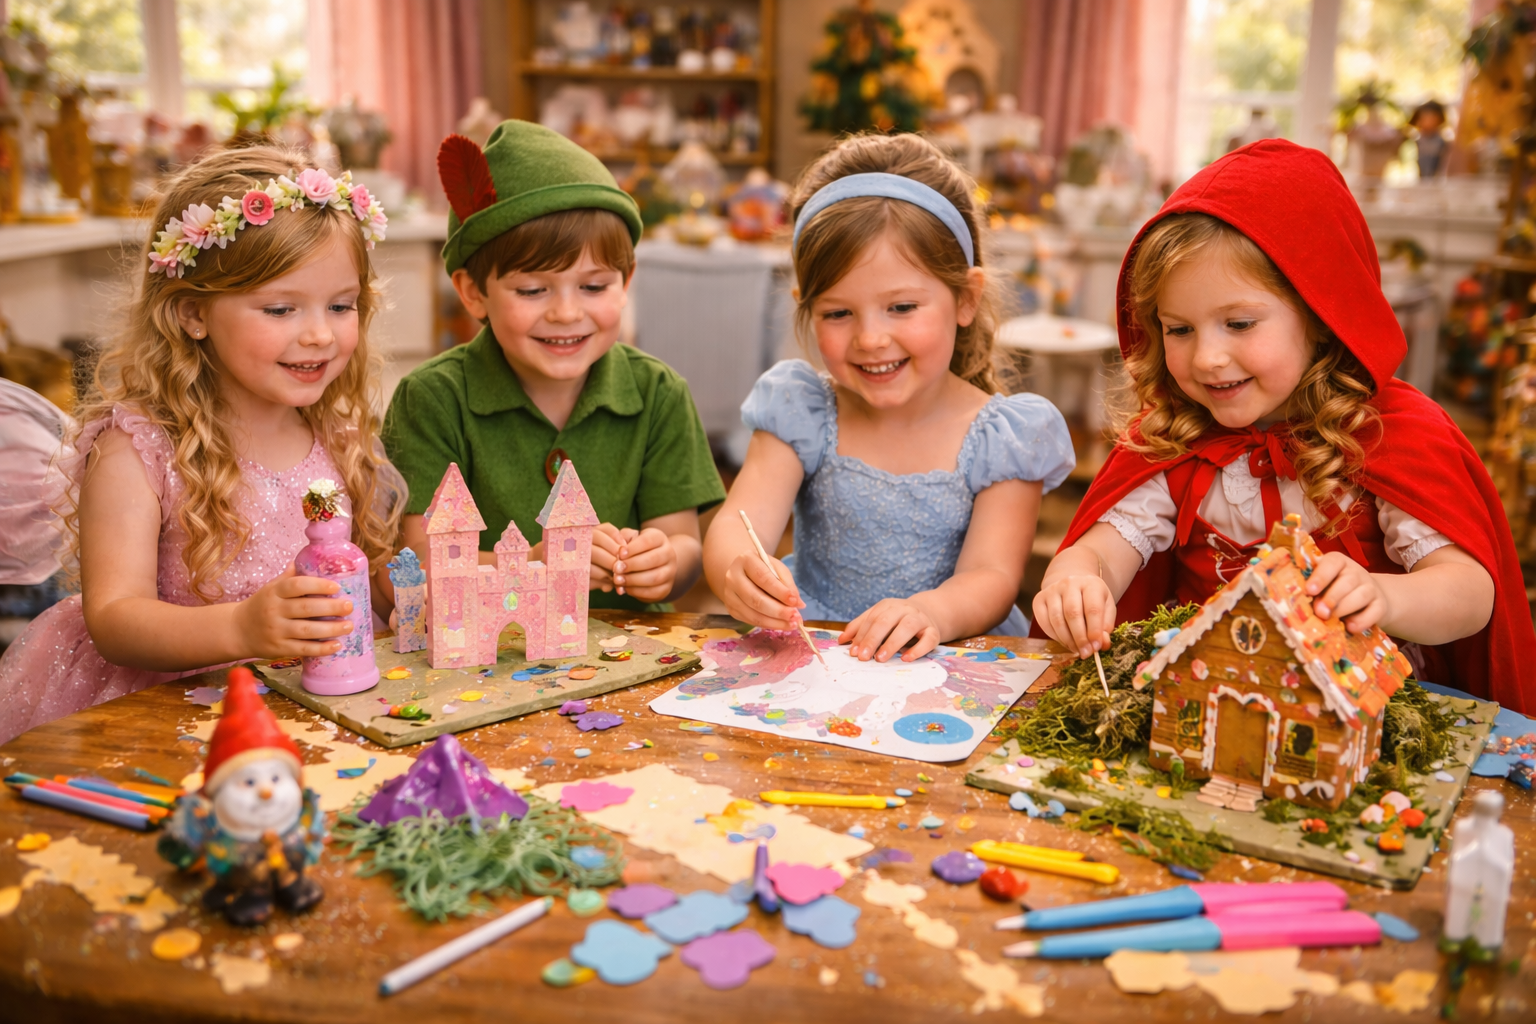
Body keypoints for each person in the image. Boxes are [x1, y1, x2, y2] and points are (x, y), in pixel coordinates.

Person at [1033, 139, 1534, 713]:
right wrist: (1076, 580)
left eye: (1239, 323)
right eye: (1179, 329)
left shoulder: (1389, 434)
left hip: (1362, 712)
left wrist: (1385, 595)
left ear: (1322, 315)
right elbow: (1100, 552)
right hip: (1201, 702)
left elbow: (1469, 595)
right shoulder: (1173, 439)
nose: (1207, 359)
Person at [0, 146, 404, 742]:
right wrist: (243, 628)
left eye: (341, 306)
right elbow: (114, 618)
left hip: (311, 705)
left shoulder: (335, 431)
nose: (320, 333)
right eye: (280, 308)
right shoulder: (138, 449)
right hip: (171, 714)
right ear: (193, 313)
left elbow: (360, 577)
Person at [705, 133, 1074, 663]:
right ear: (806, 308)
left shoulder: (1005, 436)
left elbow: (992, 575)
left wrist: (931, 612)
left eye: (901, 307)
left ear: (965, 299)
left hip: (943, 662)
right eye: (838, 313)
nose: (870, 338)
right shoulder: (801, 409)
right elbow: (738, 526)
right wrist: (738, 568)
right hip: (818, 657)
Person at [383, 122, 724, 611]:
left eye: (593, 287)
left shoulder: (658, 392)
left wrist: (665, 564)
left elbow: (684, 543)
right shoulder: (432, 399)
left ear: (626, 282)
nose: (567, 313)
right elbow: (417, 563)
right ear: (473, 291)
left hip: (635, 657)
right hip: (491, 664)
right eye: (532, 290)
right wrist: (535, 566)